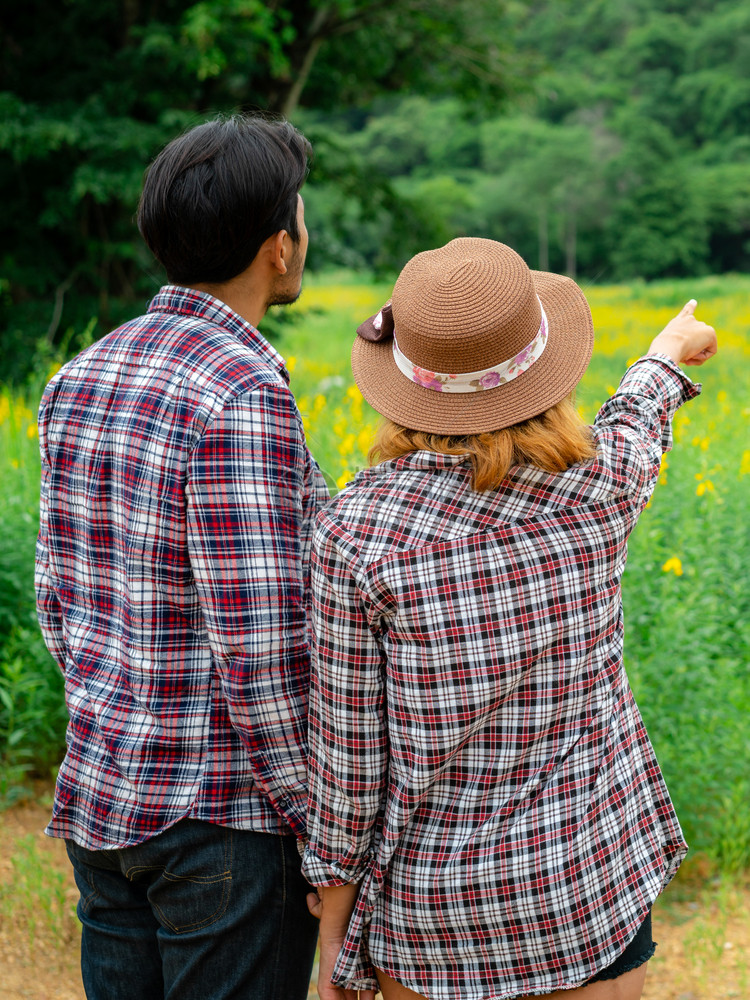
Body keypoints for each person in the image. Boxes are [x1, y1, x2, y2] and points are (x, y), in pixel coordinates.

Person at [302, 237, 717, 1000]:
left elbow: (349, 765)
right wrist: (665, 351)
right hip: (586, 895)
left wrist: (334, 924)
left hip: (432, 923)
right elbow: (637, 418)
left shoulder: (352, 535)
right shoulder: (603, 488)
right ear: (545, 364)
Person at [34, 114, 330, 1000]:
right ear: (280, 247)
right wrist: (315, 825)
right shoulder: (240, 393)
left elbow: (58, 597)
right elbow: (260, 650)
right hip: (223, 824)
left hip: (106, 795)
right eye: (302, 222)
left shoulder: (81, 372)